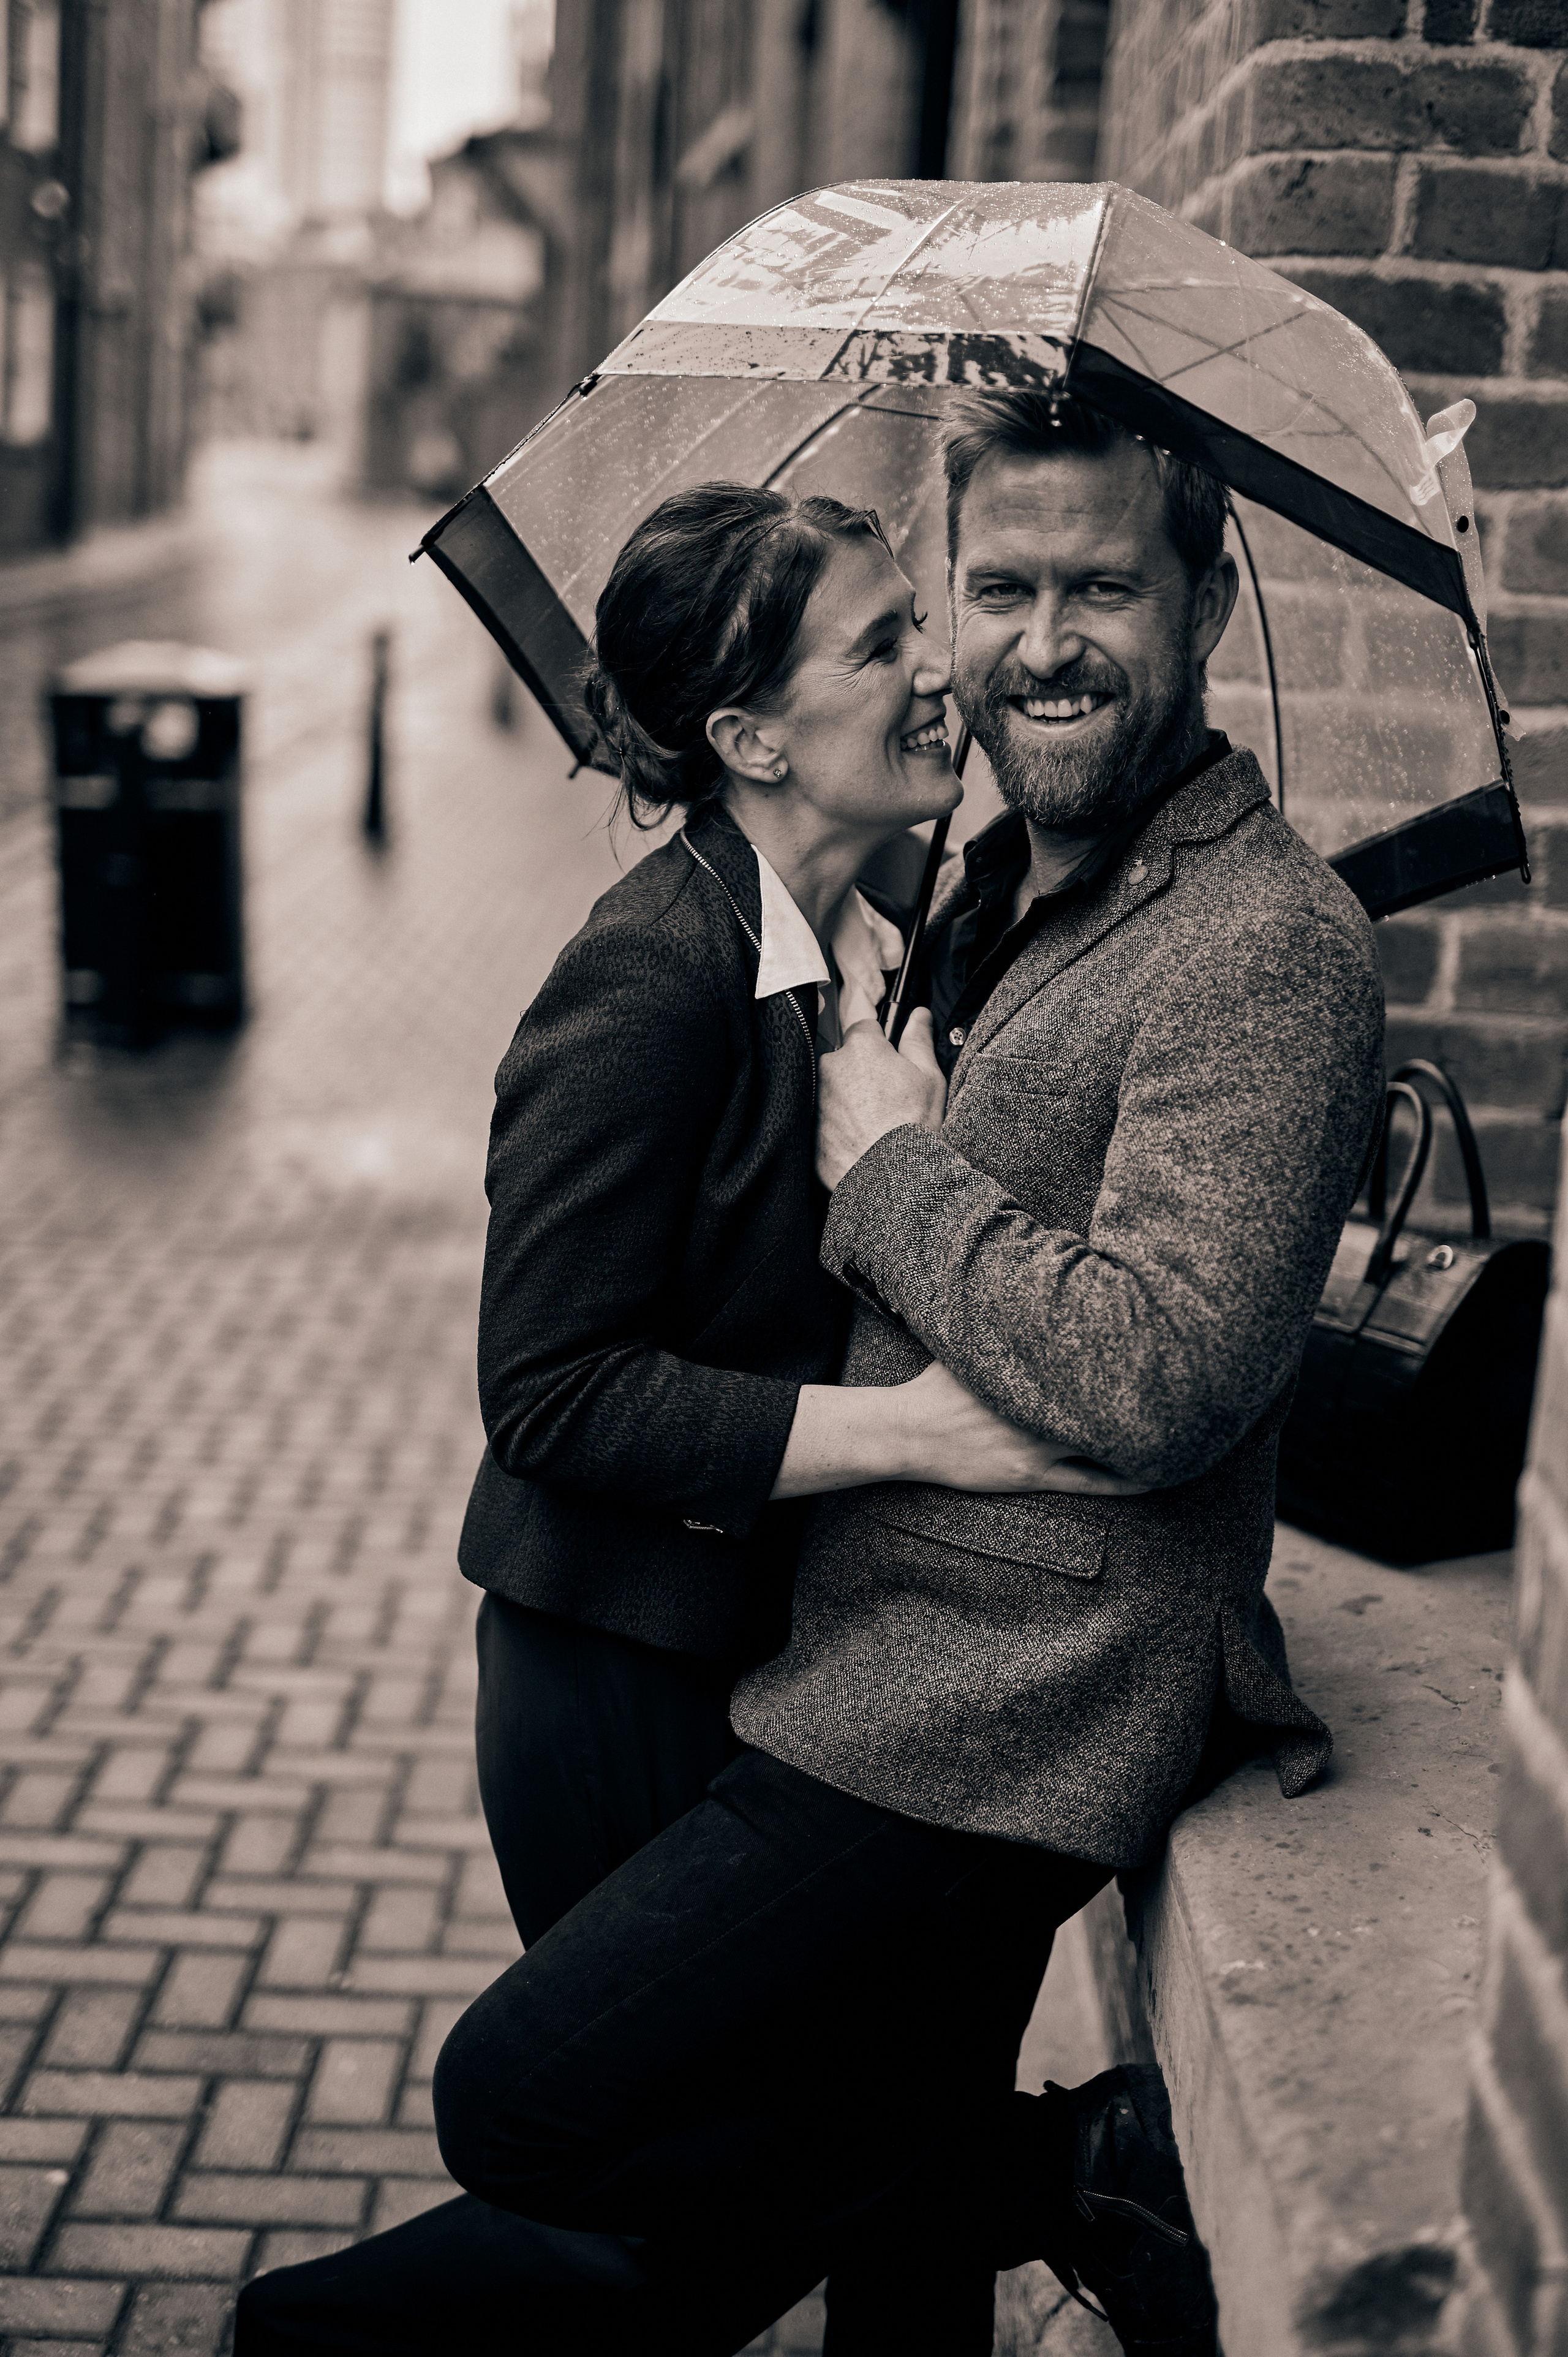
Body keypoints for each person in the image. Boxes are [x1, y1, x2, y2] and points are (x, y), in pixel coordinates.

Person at [236, 395, 1385, 2357]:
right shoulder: (821, 924)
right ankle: (1055, 2175)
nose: (1007, 648)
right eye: (978, 594)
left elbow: (1164, 1362)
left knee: (601, 2136)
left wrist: (898, 1165)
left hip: (981, 1688)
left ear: (1205, 595)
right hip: (682, 1623)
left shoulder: (1219, 933)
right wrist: (902, 1395)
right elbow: (558, 1385)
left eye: (1101, 583)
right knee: (710, 2167)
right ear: (754, 736)